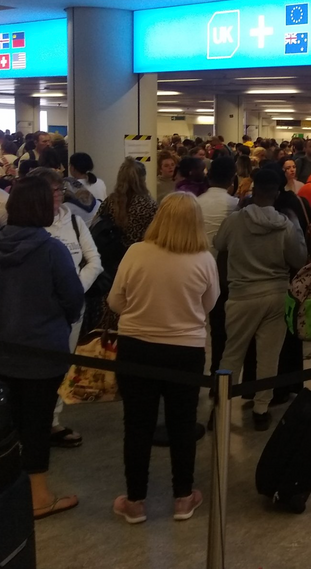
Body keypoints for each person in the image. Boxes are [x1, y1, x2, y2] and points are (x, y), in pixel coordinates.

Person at [109, 193, 220, 523]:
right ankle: (183, 498)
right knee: (183, 425)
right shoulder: (204, 259)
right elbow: (209, 305)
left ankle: (135, 501)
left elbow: (116, 301)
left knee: (137, 425)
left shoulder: (136, 253)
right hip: (185, 351)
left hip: (136, 347)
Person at [0, 176, 84, 519]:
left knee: (6, 425)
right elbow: (72, 299)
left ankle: (3, 487)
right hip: (42, 352)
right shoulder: (51, 249)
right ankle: (38, 496)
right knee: (37, 424)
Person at [215, 169, 307, 430]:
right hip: (276, 295)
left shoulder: (235, 221)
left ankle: (220, 407)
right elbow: (299, 259)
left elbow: (219, 243)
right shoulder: (285, 224)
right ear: (277, 194)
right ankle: (261, 409)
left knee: (232, 353)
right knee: (269, 356)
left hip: (242, 295)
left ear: (253, 192)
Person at [26, 167, 104, 448]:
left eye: (59, 190)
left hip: (71, 308)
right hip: (39, 311)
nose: (57, 196)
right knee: (37, 369)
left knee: (62, 366)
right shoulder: (28, 225)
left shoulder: (73, 222)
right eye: (51, 191)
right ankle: (31, 425)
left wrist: (74, 290)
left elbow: (94, 260)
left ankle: (52, 421)